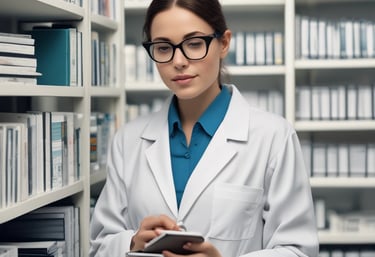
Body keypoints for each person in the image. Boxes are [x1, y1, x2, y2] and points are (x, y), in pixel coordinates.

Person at [89, 0, 319, 256]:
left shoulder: (274, 137)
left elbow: (298, 250)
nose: (178, 61)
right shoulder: (128, 140)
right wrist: (132, 243)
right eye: (164, 48)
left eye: (194, 44)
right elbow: (100, 244)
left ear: (223, 43)